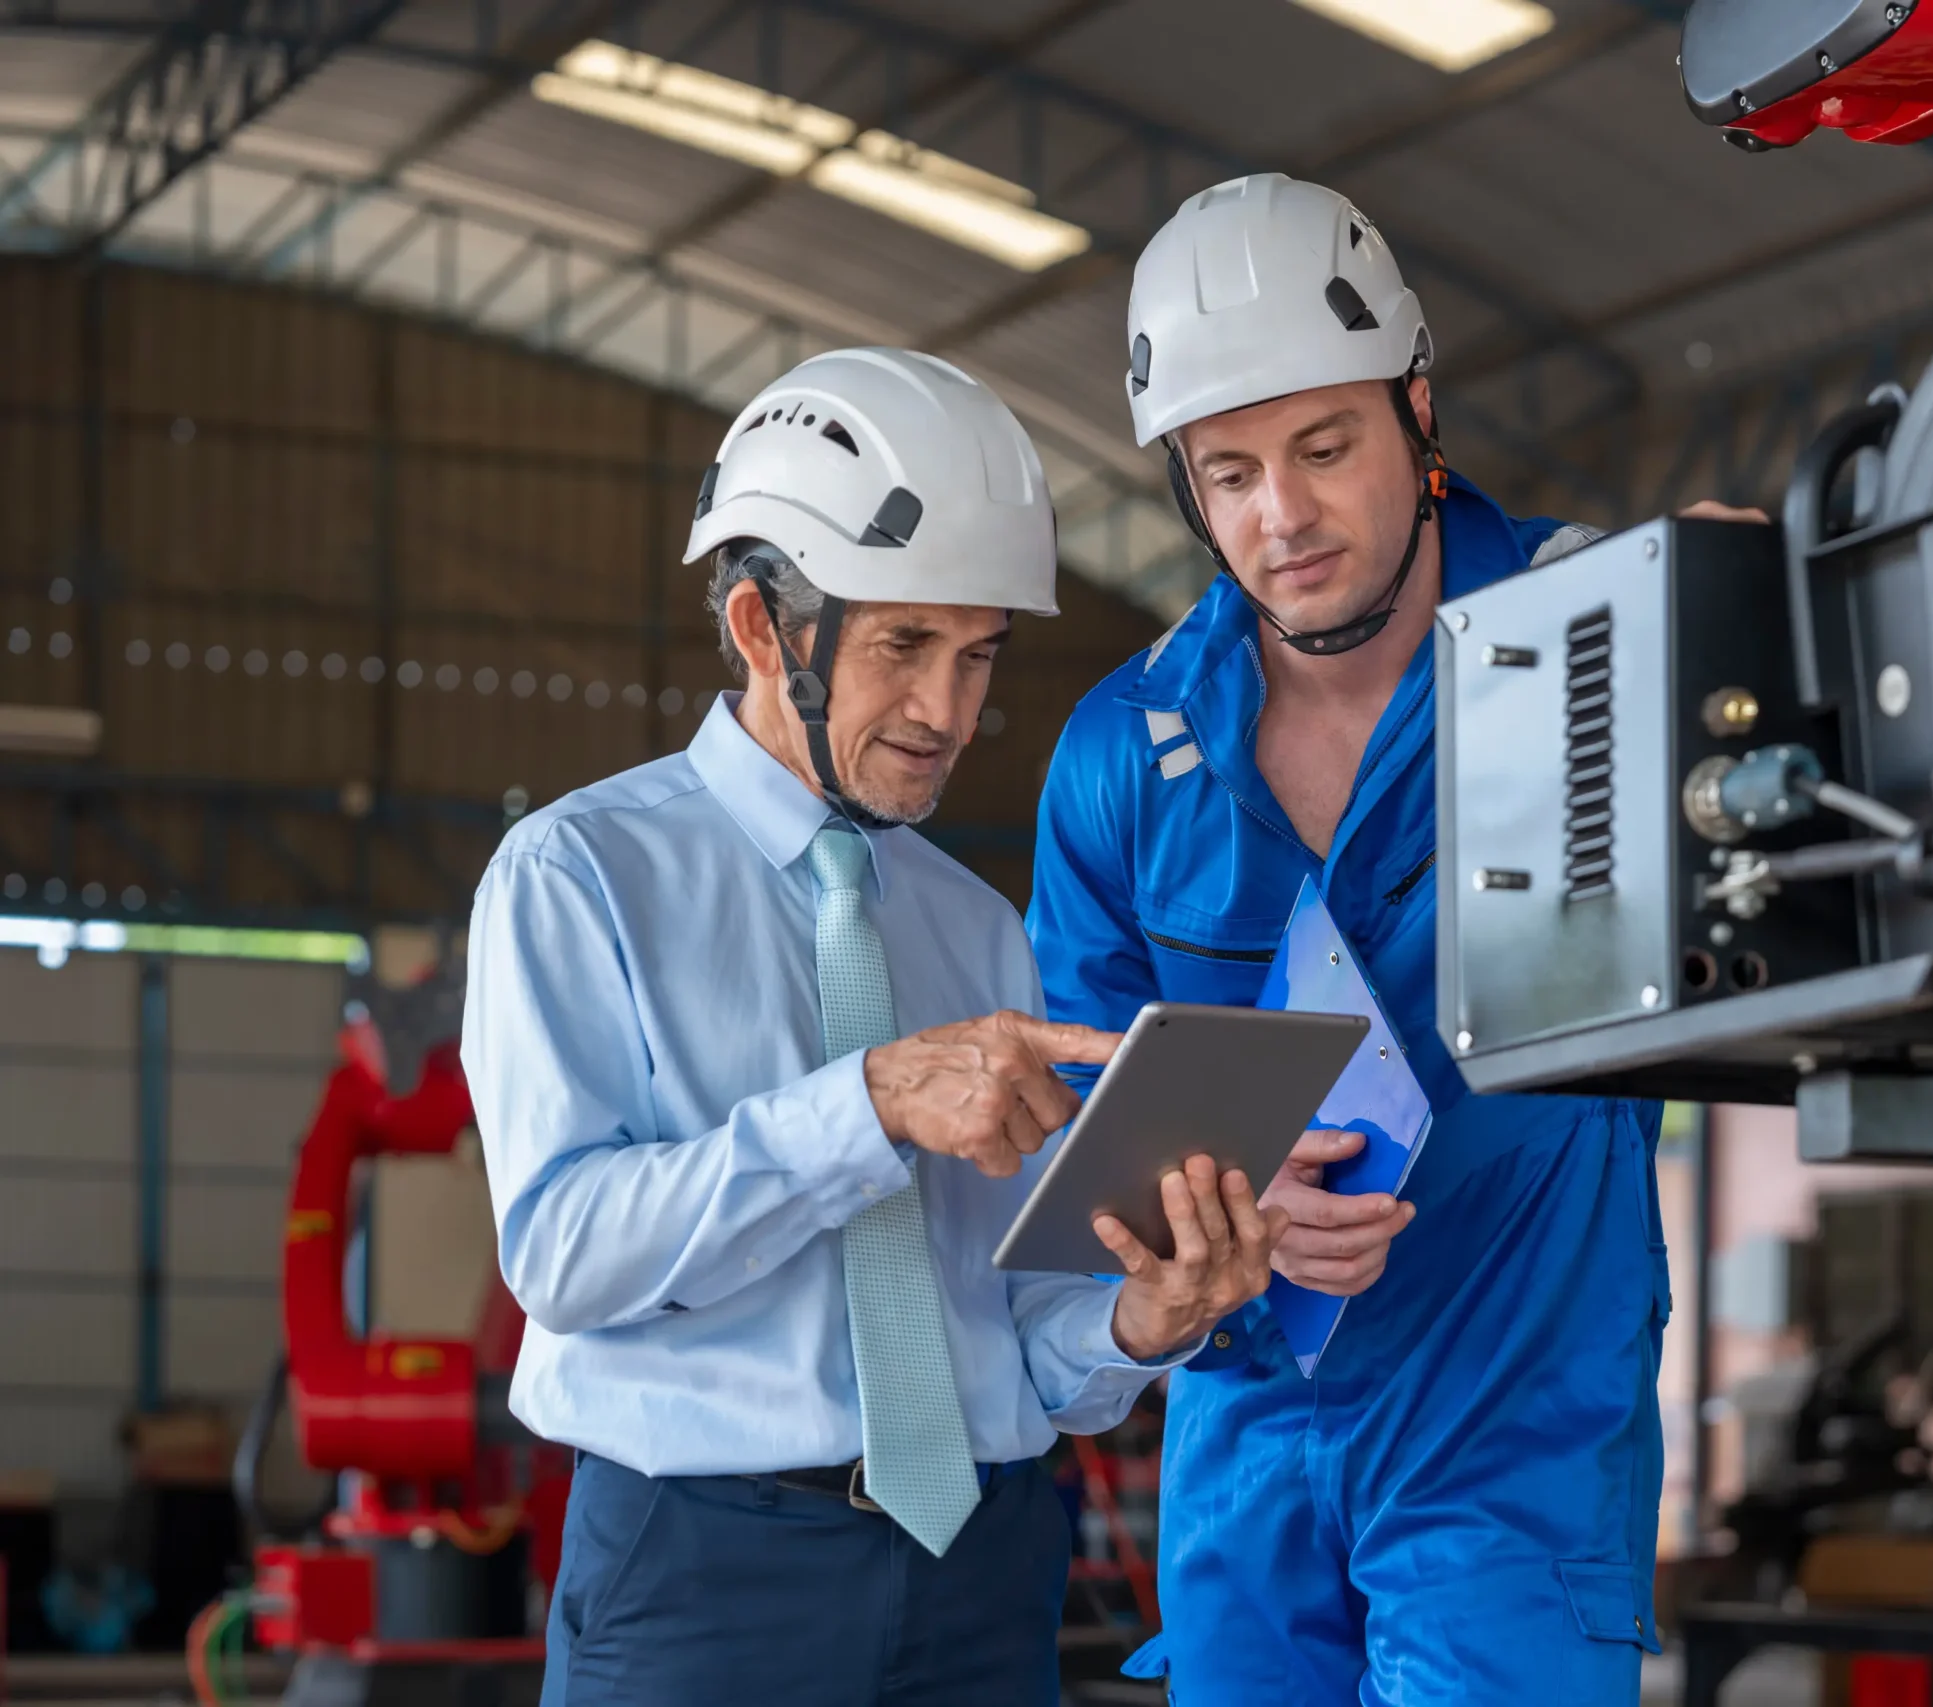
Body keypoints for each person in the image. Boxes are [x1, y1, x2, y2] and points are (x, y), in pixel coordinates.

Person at [1028, 173, 1763, 1704]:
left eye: (1323, 446)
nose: (1279, 516)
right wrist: (1226, 1214)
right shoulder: (1124, 755)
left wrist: (1740, 623)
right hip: (1243, 1458)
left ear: (1417, 408)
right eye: (1226, 473)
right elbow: (1084, 1127)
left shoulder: (1603, 636)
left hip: (1515, 1435)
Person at [461, 348, 1283, 1707]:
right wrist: (868, 1104)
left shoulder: (972, 926)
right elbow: (563, 1252)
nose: (949, 713)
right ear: (759, 626)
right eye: (905, 646)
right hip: (704, 1583)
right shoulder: (579, 876)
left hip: (982, 1567)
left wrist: (1142, 1319)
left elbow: (1006, 1325)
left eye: (977, 657)